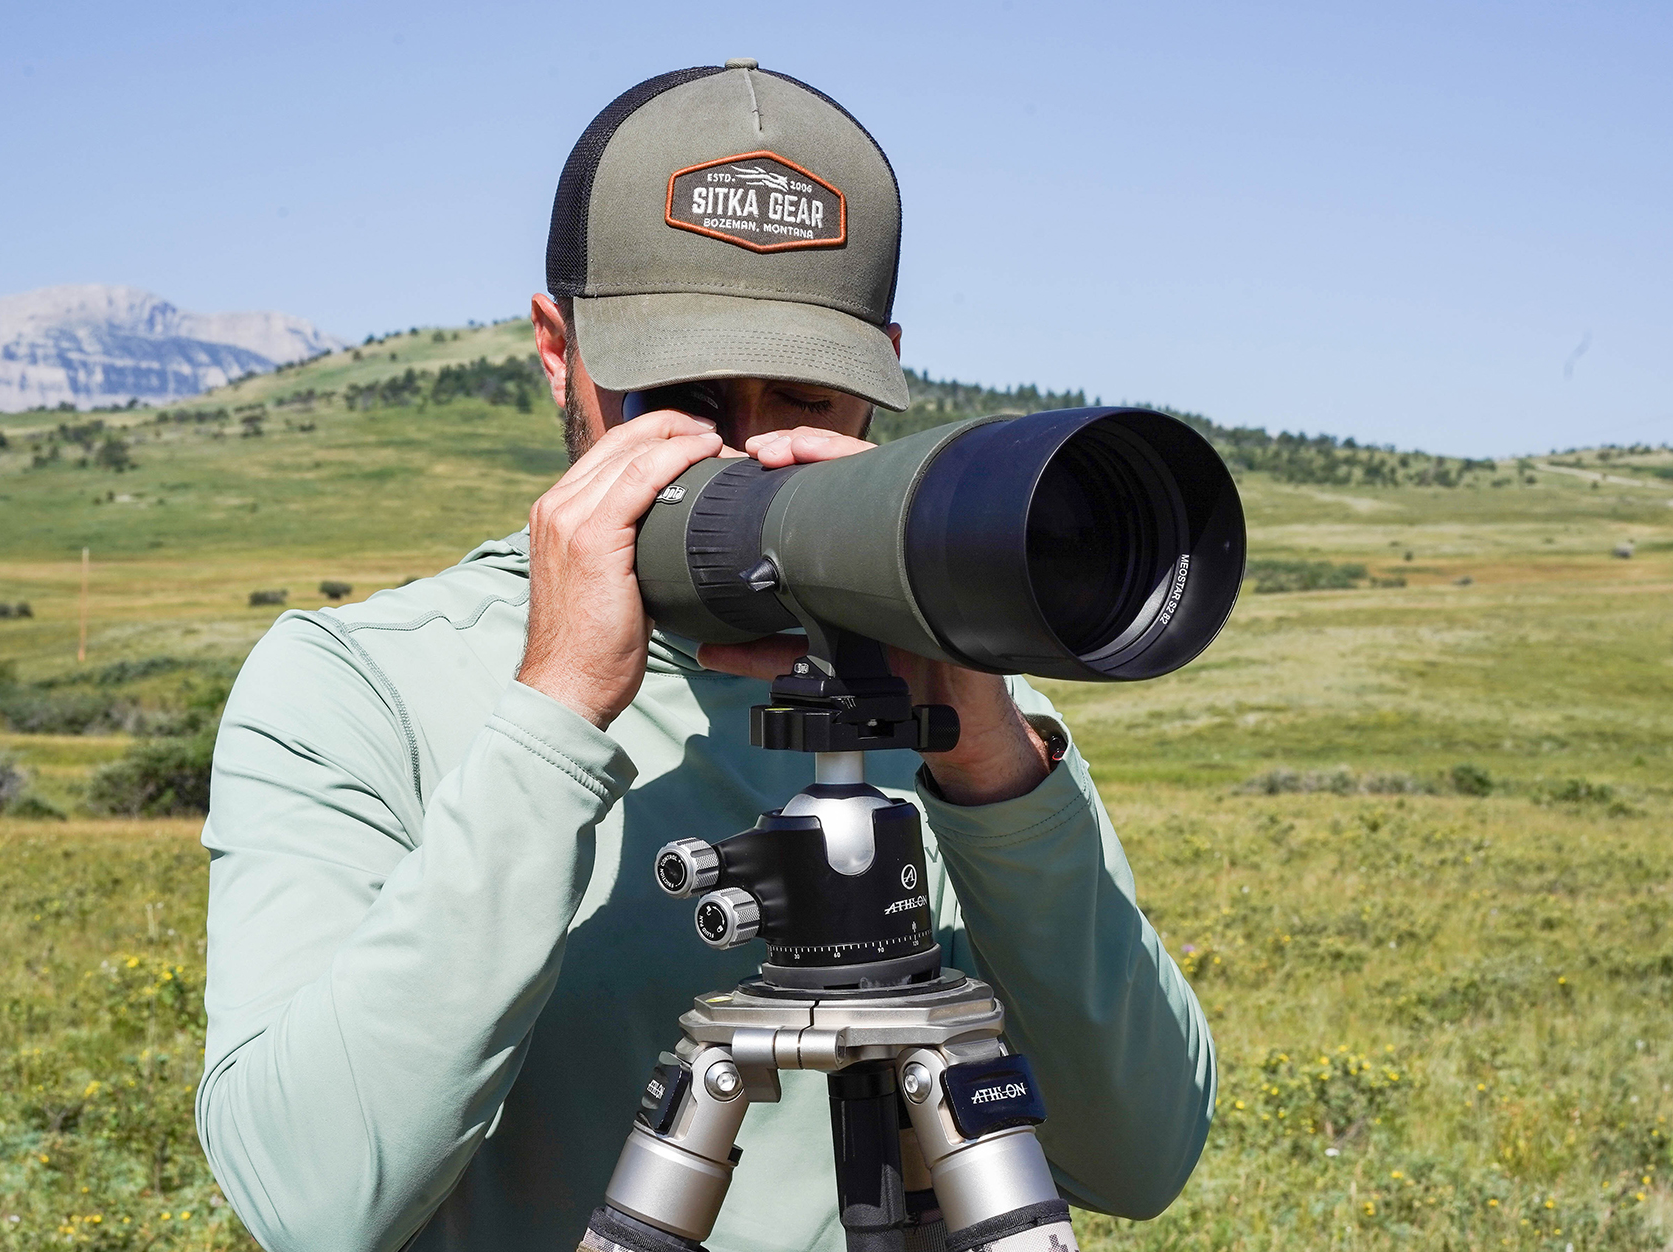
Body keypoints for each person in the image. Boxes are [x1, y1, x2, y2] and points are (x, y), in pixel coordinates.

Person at [196, 61, 1215, 1252]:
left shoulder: (943, 706)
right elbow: (306, 1204)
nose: (738, 452)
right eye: (675, 399)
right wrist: (553, 713)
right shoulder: (357, 686)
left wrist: (991, 764)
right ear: (553, 348)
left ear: (881, 369)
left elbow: (1135, 1154)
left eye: (803, 399)